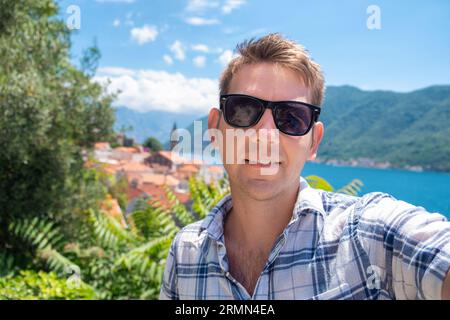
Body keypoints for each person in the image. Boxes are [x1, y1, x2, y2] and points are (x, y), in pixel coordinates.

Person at [160, 33, 450, 300]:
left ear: (314, 141)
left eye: (291, 118)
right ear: (215, 129)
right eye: (244, 110)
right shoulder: (186, 254)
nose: (266, 135)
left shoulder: (367, 238)